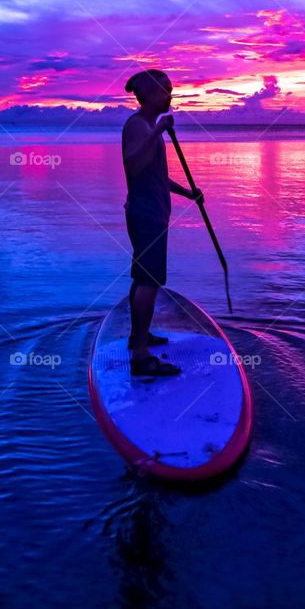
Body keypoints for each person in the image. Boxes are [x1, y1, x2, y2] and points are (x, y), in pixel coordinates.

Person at [121, 69, 204, 378]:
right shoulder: (138, 126)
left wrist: (187, 193)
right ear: (150, 94)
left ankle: (137, 338)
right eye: (166, 90)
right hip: (146, 215)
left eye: (171, 89)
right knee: (149, 281)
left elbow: (153, 174)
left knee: (143, 277)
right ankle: (141, 357)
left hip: (152, 212)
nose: (171, 95)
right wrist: (157, 132)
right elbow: (132, 164)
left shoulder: (145, 126)